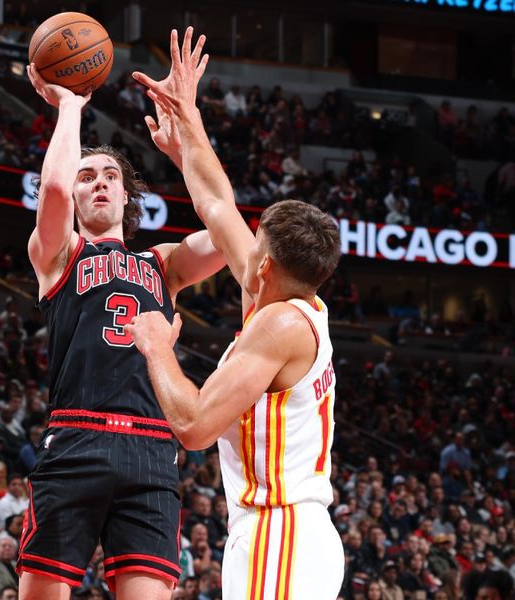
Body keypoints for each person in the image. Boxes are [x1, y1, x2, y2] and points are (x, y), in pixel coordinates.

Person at [128, 28, 344, 599]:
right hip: (287, 533)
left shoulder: (277, 325)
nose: (245, 245)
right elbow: (217, 203)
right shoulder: (292, 302)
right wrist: (187, 121)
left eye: (257, 244)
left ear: (265, 265)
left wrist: (155, 347)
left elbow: (196, 426)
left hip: (281, 531)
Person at [19, 46, 226, 600]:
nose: (101, 183)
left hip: (152, 450)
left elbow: (231, 235)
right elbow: (55, 190)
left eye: (112, 175)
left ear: (128, 194)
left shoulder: (163, 264)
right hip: (76, 439)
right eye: (89, 176)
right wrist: (69, 105)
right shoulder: (58, 255)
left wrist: (188, 152)